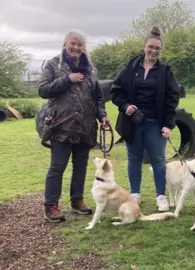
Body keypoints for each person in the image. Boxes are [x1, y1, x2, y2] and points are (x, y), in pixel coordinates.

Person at [38, 29, 108, 223]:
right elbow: (43, 90)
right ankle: (51, 205)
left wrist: (102, 115)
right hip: (61, 126)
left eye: (80, 44)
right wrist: (67, 79)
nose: (76, 48)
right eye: (73, 44)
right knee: (57, 166)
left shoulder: (91, 69)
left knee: (81, 167)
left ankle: (77, 200)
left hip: (85, 127)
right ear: (65, 44)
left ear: (83, 47)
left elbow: (98, 97)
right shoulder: (53, 65)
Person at [110, 26, 180, 211]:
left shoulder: (166, 71)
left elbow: (172, 99)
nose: (153, 51)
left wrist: (168, 124)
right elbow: (116, 92)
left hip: (155, 124)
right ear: (144, 46)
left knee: (158, 159)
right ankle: (135, 194)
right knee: (134, 158)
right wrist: (126, 107)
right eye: (151, 47)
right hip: (133, 122)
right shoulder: (130, 67)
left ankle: (160, 196)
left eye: (157, 48)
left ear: (161, 50)